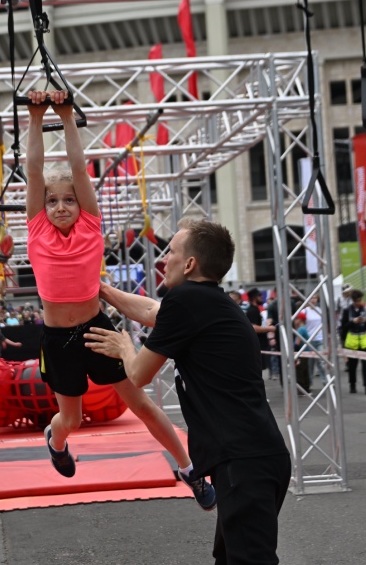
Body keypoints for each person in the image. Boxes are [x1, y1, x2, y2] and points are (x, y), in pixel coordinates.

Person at [24, 90, 215, 510]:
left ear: (82, 204)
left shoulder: (90, 226)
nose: (60, 207)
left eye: (69, 199)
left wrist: (67, 116)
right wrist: (36, 119)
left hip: (96, 330)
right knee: (71, 419)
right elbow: (34, 169)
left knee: (141, 403)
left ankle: (189, 469)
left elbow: (79, 167)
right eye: (52, 201)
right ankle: (56, 442)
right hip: (57, 339)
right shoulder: (37, 229)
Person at [85, 218, 290, 564]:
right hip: (254, 455)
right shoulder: (208, 302)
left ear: (190, 263)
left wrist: (123, 347)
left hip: (242, 460)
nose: (163, 260)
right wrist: (100, 289)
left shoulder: (185, 300)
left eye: (171, 252)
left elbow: (138, 375)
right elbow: (151, 310)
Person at [341, 290, 366, 394]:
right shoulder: (347, 311)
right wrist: (353, 322)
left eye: (360, 300)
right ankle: (352, 385)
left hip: (364, 342)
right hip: (352, 342)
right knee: (352, 366)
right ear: (353, 300)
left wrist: (365, 321)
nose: (358, 302)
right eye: (356, 301)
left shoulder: (365, 310)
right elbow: (343, 327)